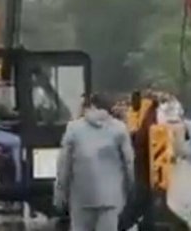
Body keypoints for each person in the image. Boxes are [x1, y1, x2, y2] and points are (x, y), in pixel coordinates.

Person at [54, 93, 135, 231]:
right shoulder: (120, 129)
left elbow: (64, 165)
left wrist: (60, 192)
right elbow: (129, 163)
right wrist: (129, 188)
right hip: (111, 197)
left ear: (91, 106)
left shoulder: (73, 128)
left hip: (81, 196)